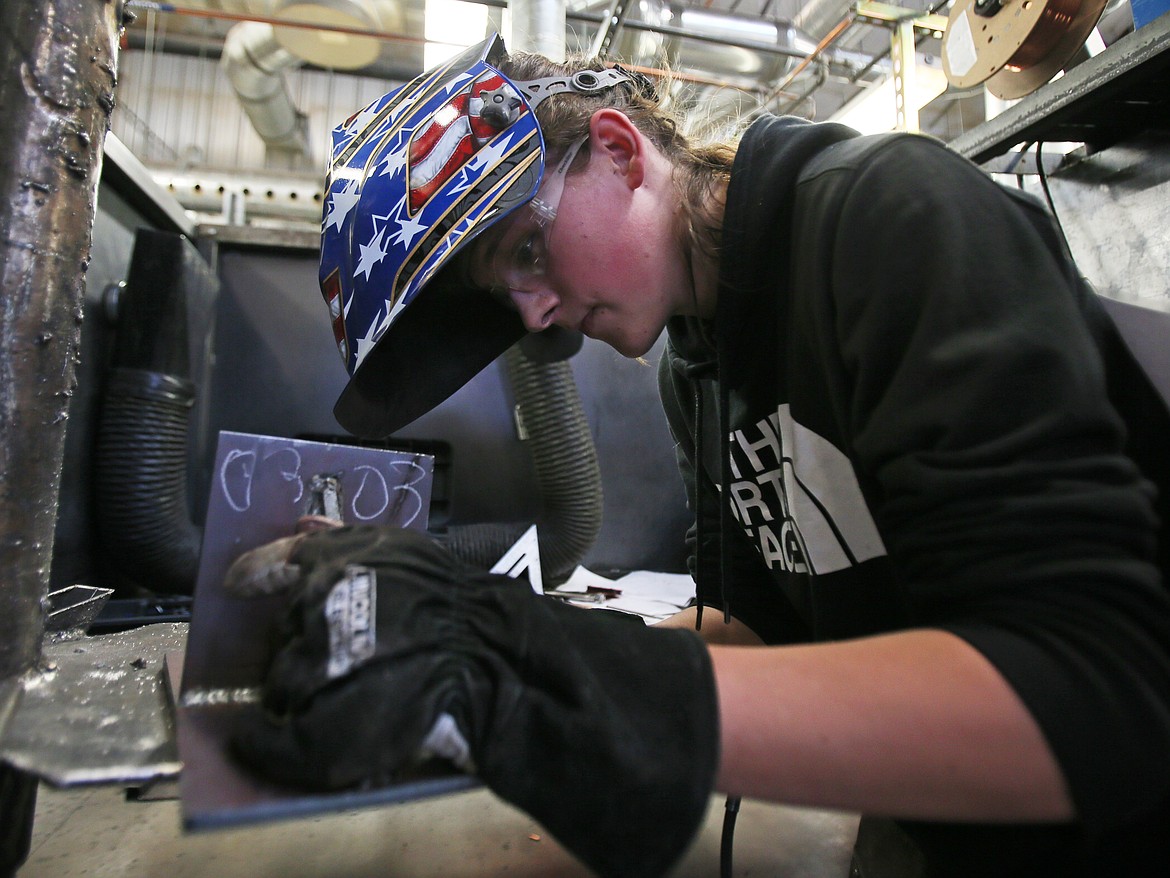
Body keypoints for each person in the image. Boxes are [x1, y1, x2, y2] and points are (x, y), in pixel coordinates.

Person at [226, 33, 1170, 877]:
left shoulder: (892, 218)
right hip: (946, 824)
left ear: (619, 151)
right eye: (504, 296)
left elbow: (1094, 700)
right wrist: (470, 629)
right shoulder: (697, 371)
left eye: (522, 251)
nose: (534, 312)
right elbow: (761, 628)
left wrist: (520, 663)